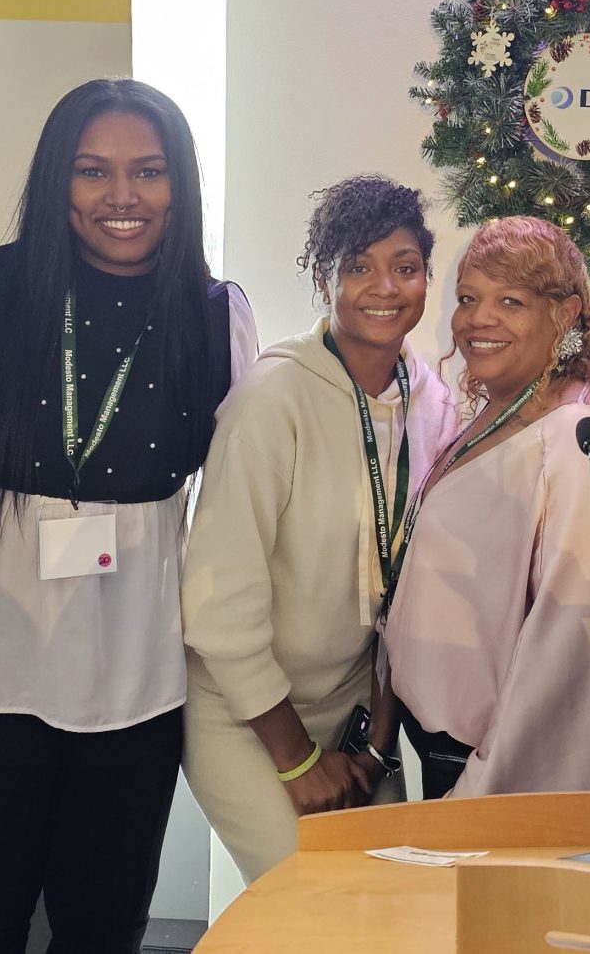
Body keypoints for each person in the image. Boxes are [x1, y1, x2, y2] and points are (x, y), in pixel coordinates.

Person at [0, 79, 255, 954]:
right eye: (93, 170)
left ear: (180, 183)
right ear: (57, 180)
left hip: (131, 689)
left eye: (149, 171)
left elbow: (241, 509)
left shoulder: (218, 317)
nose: (124, 195)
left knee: (104, 928)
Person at [181, 175, 460, 882]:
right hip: (247, 714)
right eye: (358, 266)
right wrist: (297, 760)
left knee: (387, 898)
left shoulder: (434, 403)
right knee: (317, 901)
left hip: (356, 713)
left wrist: (377, 743)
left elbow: (406, 590)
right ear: (321, 278)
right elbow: (217, 602)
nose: (384, 287)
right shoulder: (271, 401)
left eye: (405, 266)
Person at [384, 216, 590, 799]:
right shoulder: (504, 409)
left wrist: (480, 788)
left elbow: (569, 644)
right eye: (468, 298)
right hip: (436, 741)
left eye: (511, 301)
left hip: (489, 767)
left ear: (565, 314)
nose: (479, 319)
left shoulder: (578, 435)